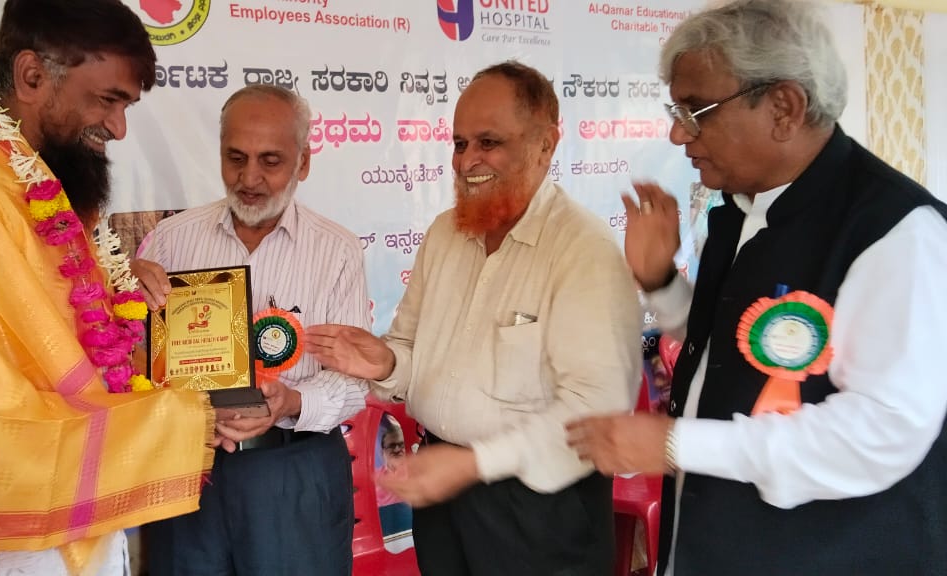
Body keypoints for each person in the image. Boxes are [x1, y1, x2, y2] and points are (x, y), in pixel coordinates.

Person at [564, 1, 947, 575]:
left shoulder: (898, 233)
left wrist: (677, 444)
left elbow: (884, 431)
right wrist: (660, 280)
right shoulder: (744, 208)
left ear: (784, 108)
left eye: (695, 110)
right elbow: (734, 350)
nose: (677, 133)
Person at [0, 1, 213, 574]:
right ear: (32, 76)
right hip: (4, 539)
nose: (119, 128)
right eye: (107, 100)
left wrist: (120, 292)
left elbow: (67, 328)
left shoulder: (38, 172)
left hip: (81, 523)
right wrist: (179, 421)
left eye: (126, 106)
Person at [305, 61, 641, 576]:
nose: (467, 162)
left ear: (545, 145)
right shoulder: (445, 234)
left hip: (540, 509)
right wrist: (386, 362)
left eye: (489, 143)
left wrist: (473, 464)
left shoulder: (584, 249)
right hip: (443, 493)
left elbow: (595, 410)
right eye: (460, 144)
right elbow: (410, 350)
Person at [132, 84, 370, 576]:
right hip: (190, 470)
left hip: (293, 473)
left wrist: (291, 401)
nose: (249, 178)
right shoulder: (170, 241)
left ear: (303, 163)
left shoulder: (337, 251)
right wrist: (127, 303)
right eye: (235, 158)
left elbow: (353, 382)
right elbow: (133, 359)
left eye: (271, 161)